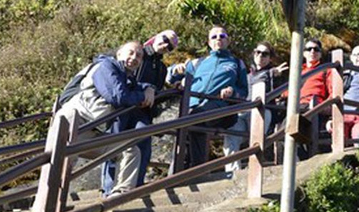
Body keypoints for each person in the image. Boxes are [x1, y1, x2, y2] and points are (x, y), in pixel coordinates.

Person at [56, 41, 155, 195]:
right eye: (131, 52)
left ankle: (121, 194)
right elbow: (117, 96)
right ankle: (50, 203)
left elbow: (135, 87)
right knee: (64, 161)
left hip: (92, 130)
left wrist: (150, 88)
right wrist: (143, 96)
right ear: (119, 54)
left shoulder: (126, 77)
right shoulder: (106, 67)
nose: (134, 58)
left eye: (139, 56)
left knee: (130, 150)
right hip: (75, 121)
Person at [101, 30, 177, 197]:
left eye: (170, 46)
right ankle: (108, 189)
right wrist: (146, 89)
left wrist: (169, 91)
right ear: (157, 36)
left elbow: (156, 92)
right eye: (165, 39)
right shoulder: (135, 54)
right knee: (115, 144)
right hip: (122, 107)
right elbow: (123, 81)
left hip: (142, 111)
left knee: (142, 142)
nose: (165, 45)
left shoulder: (162, 68)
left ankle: (136, 186)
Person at [168, 25, 248, 168]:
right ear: (209, 42)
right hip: (191, 104)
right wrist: (175, 70)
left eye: (222, 36)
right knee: (184, 128)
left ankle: (197, 170)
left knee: (195, 120)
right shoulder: (198, 62)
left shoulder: (236, 63)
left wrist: (232, 91)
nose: (218, 39)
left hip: (220, 107)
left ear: (228, 41)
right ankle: (180, 173)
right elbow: (170, 78)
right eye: (214, 37)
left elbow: (243, 91)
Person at [222, 42, 287, 173]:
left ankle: (254, 170)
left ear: (270, 58)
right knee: (230, 135)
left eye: (265, 54)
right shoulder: (245, 75)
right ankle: (233, 172)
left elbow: (280, 88)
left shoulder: (273, 74)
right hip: (243, 111)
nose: (261, 56)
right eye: (258, 52)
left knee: (256, 136)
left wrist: (274, 74)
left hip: (262, 111)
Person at [326, 46, 359, 144]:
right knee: (339, 140)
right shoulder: (344, 74)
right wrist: (331, 119)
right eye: (357, 54)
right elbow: (334, 96)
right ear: (351, 57)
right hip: (342, 114)